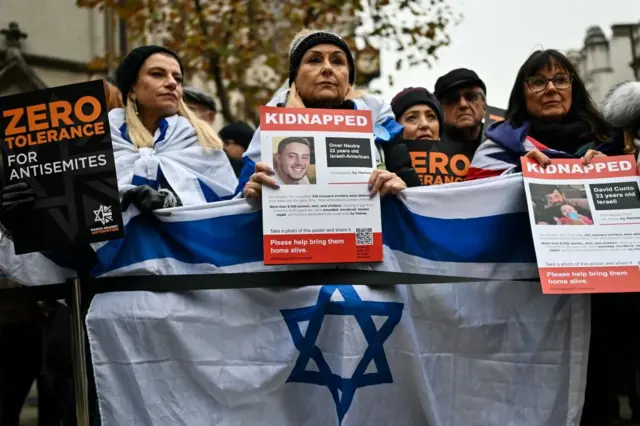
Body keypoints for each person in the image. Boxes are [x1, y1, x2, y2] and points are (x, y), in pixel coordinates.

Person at [241, 29, 420, 199]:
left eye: (337, 61)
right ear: (294, 78)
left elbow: (416, 201)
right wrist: (250, 195)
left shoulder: (380, 121)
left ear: (348, 79)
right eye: (314, 60)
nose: (327, 68)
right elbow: (234, 206)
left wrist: (401, 189)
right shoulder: (269, 132)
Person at [467, 49, 623, 180]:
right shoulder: (497, 149)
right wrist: (516, 175)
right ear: (522, 95)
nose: (551, 88)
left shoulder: (611, 141)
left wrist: (612, 171)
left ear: (574, 91)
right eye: (538, 82)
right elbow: (475, 202)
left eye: (560, 80)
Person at [391, 86, 477, 185]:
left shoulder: (469, 167)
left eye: (431, 116)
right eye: (412, 118)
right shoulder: (381, 169)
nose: (424, 124)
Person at [433, 68, 487, 162]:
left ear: (484, 106)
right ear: (440, 110)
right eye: (452, 99)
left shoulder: (504, 144)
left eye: (471, 96)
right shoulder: (427, 147)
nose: (463, 104)